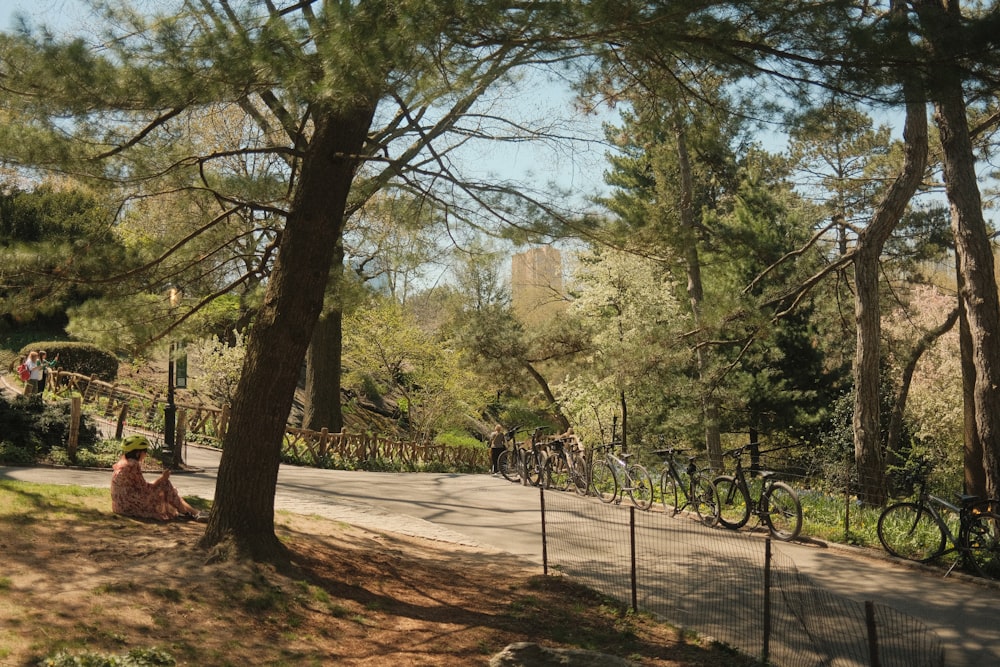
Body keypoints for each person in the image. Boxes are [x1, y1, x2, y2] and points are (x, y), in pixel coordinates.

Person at [110, 435, 207, 522]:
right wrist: (162, 478)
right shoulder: (133, 465)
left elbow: (141, 486)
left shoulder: (123, 463)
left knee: (167, 487)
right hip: (130, 505)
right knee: (165, 484)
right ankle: (189, 513)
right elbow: (145, 488)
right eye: (145, 451)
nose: (146, 454)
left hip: (120, 505)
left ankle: (191, 512)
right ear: (138, 453)